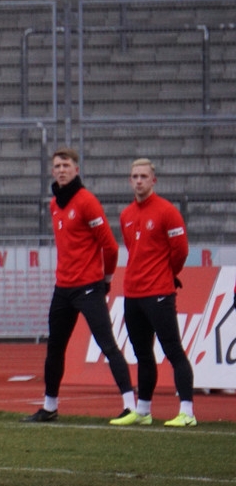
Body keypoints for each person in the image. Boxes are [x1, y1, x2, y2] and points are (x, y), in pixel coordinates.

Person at [24, 147, 136, 423]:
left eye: (66, 165)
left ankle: (131, 406)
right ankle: (50, 407)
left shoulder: (87, 202)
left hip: (88, 287)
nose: (61, 170)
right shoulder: (54, 204)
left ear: (76, 169)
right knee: (55, 348)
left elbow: (109, 246)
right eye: (57, 166)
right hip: (63, 288)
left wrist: (106, 279)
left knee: (107, 344)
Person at [112, 158, 196, 427]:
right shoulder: (125, 215)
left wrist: (167, 275)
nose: (139, 181)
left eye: (143, 176)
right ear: (130, 180)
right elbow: (133, 250)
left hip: (159, 293)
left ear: (153, 180)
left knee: (173, 351)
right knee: (142, 355)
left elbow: (180, 251)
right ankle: (143, 410)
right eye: (134, 176)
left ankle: (187, 412)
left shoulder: (167, 211)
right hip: (132, 294)